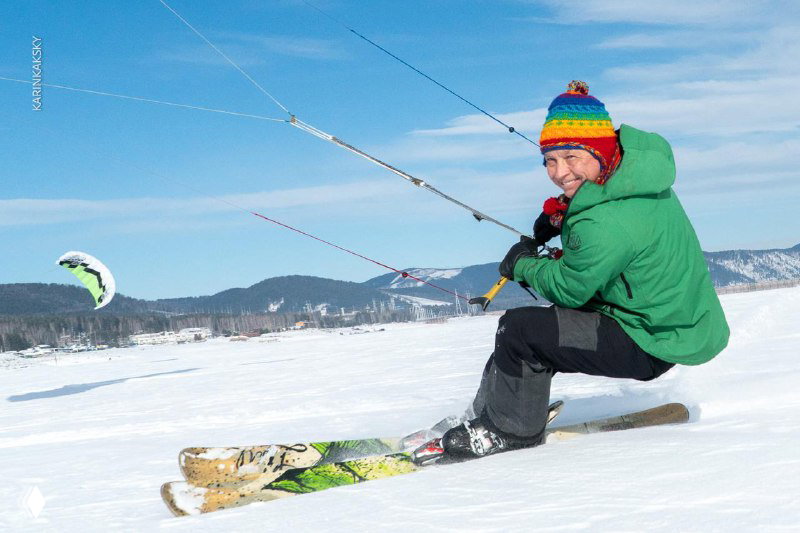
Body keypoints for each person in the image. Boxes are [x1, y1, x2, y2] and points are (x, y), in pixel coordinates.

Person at [413, 81, 730, 464]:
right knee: (517, 334)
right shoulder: (635, 176)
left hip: (650, 340)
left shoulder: (606, 222)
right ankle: (491, 411)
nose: (560, 172)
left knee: (519, 332)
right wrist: (563, 214)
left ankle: (510, 430)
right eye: (550, 159)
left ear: (600, 151)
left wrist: (523, 265)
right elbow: (609, 223)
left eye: (571, 157)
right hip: (669, 323)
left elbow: (570, 288)